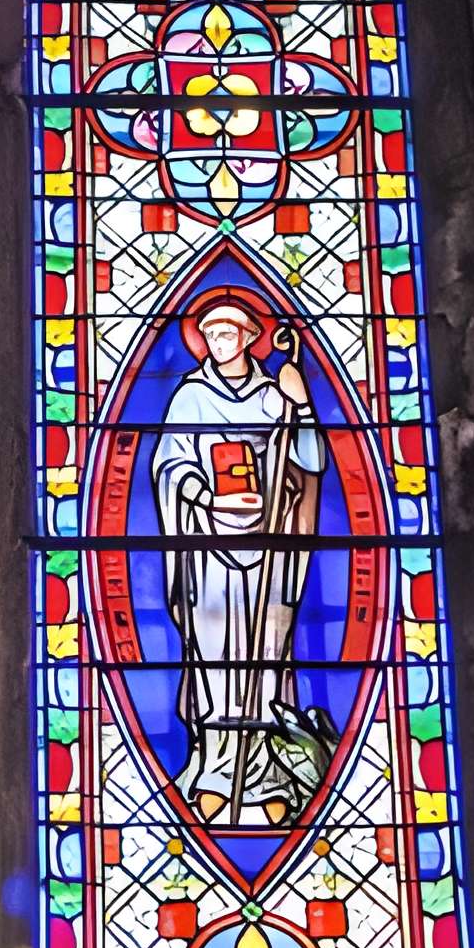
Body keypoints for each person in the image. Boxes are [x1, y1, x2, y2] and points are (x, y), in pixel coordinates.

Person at [152, 288, 323, 824]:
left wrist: (301, 406)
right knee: (213, 657)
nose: (218, 342)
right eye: (210, 334)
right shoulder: (189, 398)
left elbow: (310, 460)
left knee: (267, 654)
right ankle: (215, 771)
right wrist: (206, 496)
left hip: (269, 542)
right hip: (207, 546)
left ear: (249, 338)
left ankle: (266, 773)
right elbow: (168, 466)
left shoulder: (274, 396)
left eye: (228, 333)